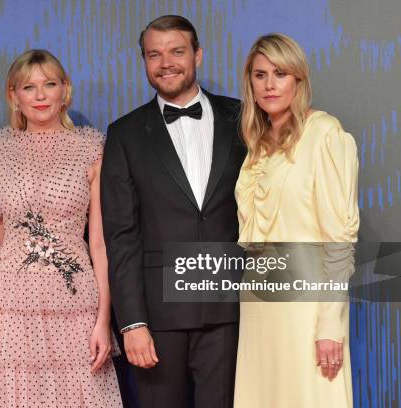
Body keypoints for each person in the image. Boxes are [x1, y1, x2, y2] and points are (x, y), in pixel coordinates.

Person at [101, 15, 246, 407]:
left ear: (197, 54)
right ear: (144, 61)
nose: (166, 62)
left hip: (230, 312)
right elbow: (121, 236)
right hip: (157, 318)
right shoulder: (124, 134)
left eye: (177, 51)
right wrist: (132, 323)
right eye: (154, 54)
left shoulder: (244, 119)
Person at [0, 49, 122, 407]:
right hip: (9, 303)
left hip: (75, 301)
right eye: (29, 87)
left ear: (66, 91)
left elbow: (101, 243)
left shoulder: (91, 147)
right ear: (13, 95)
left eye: (50, 84)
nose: (40, 95)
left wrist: (103, 318)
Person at [233, 33, 359, 407]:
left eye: (281, 73)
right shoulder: (256, 146)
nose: (270, 84)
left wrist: (330, 325)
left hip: (306, 310)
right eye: (260, 75)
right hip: (258, 305)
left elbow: (340, 239)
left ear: (299, 80)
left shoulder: (325, 135)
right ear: (250, 82)